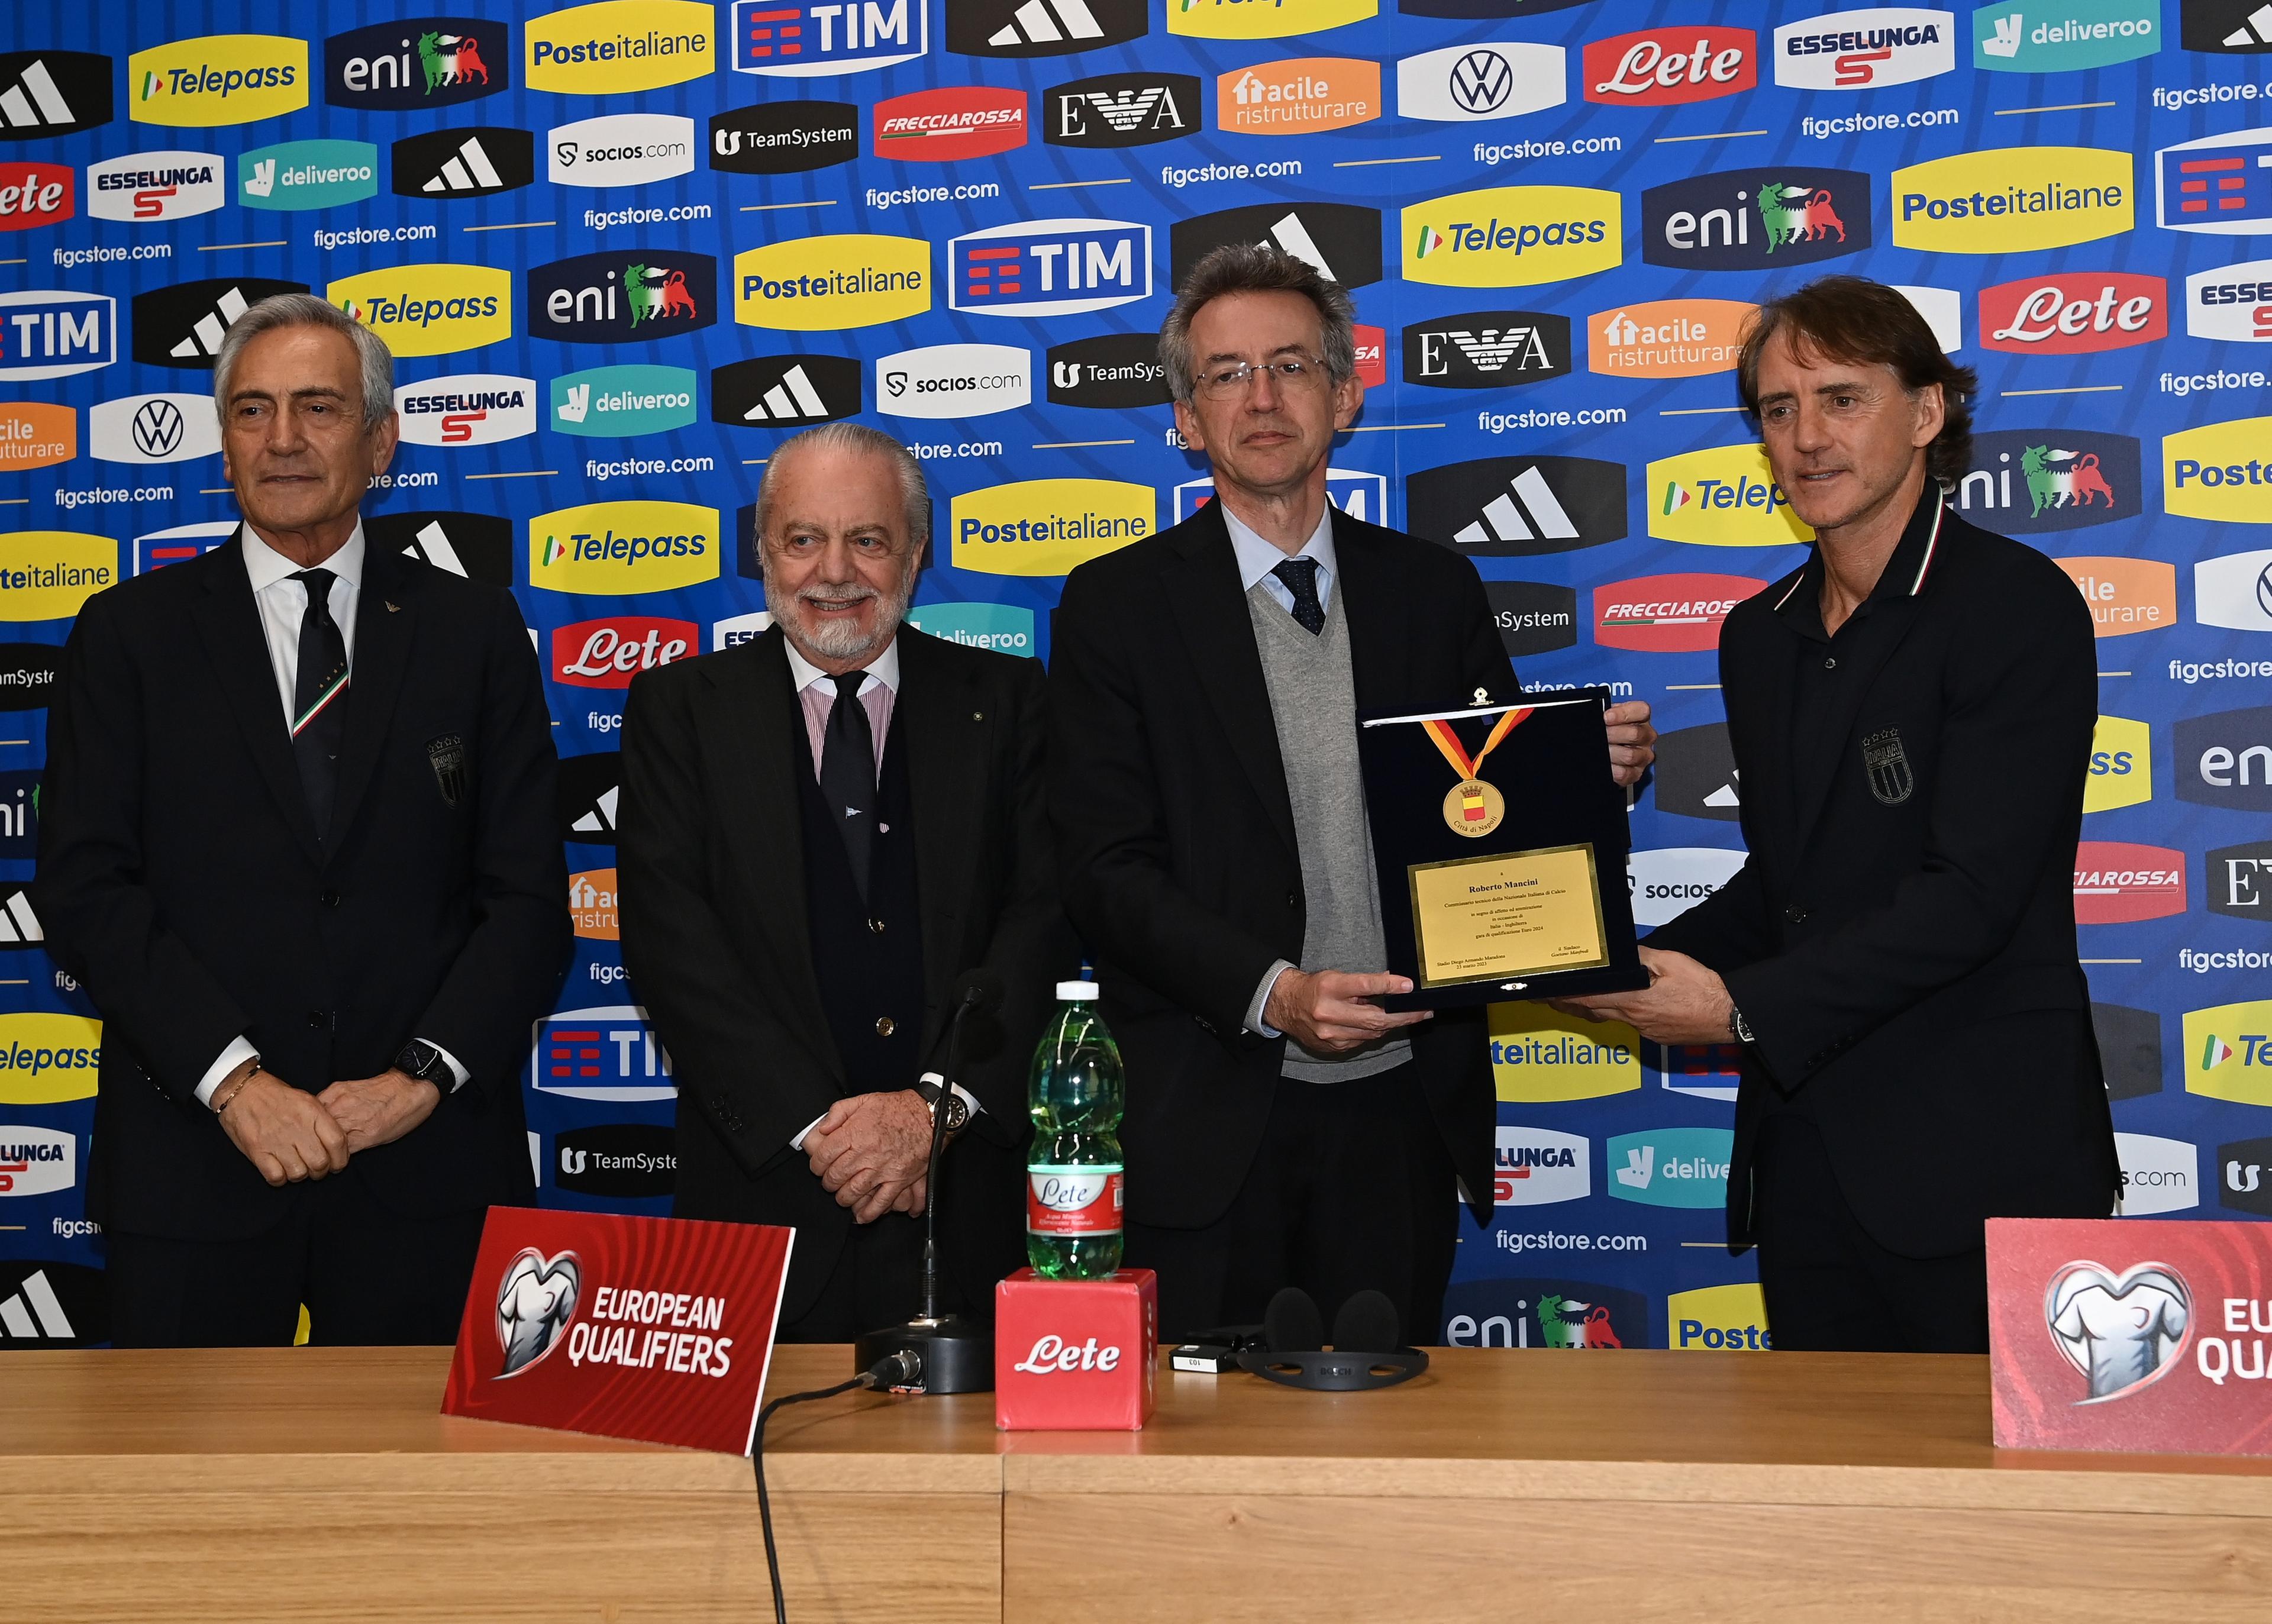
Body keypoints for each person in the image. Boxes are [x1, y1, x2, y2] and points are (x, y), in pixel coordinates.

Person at [1047, 244, 1656, 1341]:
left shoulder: (1436, 590)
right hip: (1212, 1115)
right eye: (1227, 374)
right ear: (1186, 418)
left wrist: (1578, 780)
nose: (1262, 396)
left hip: (1405, 1108)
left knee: (1394, 1429)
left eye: (1290, 365)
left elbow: (1489, 829)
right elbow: (1104, 870)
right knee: (1213, 1435)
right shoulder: (1114, 608)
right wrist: (1274, 992)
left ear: (1344, 395)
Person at [1558, 275, 2118, 1354]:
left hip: (1983, 1164)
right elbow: (1791, 884)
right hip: (1808, 1162)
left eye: (1843, 399)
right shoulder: (1758, 634)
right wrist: (1605, 963)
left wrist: (1738, 1009)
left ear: (1927, 412)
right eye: (1779, 408)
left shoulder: (2016, 605)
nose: (1808, 437)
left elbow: (1973, 894)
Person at [34, 294, 569, 1346]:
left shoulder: (474, 630)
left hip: (427, 1171)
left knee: (429, 1460)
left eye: (318, 407)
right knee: (179, 1461)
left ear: (381, 442)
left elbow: (527, 901)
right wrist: (236, 1084)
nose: (282, 438)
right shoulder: (128, 636)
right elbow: (87, 891)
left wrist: (418, 1080)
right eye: (253, 409)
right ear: (224, 439)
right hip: (195, 1168)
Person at [618, 422, 1068, 1342]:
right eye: (803, 539)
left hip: (963, 1211)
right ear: (762, 549)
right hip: (762, 1212)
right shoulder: (679, 711)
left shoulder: (1007, 700)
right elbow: (671, 945)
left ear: (916, 551)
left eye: (867, 539)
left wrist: (934, 1110)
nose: (834, 571)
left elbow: (1043, 917)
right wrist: (826, 1134)